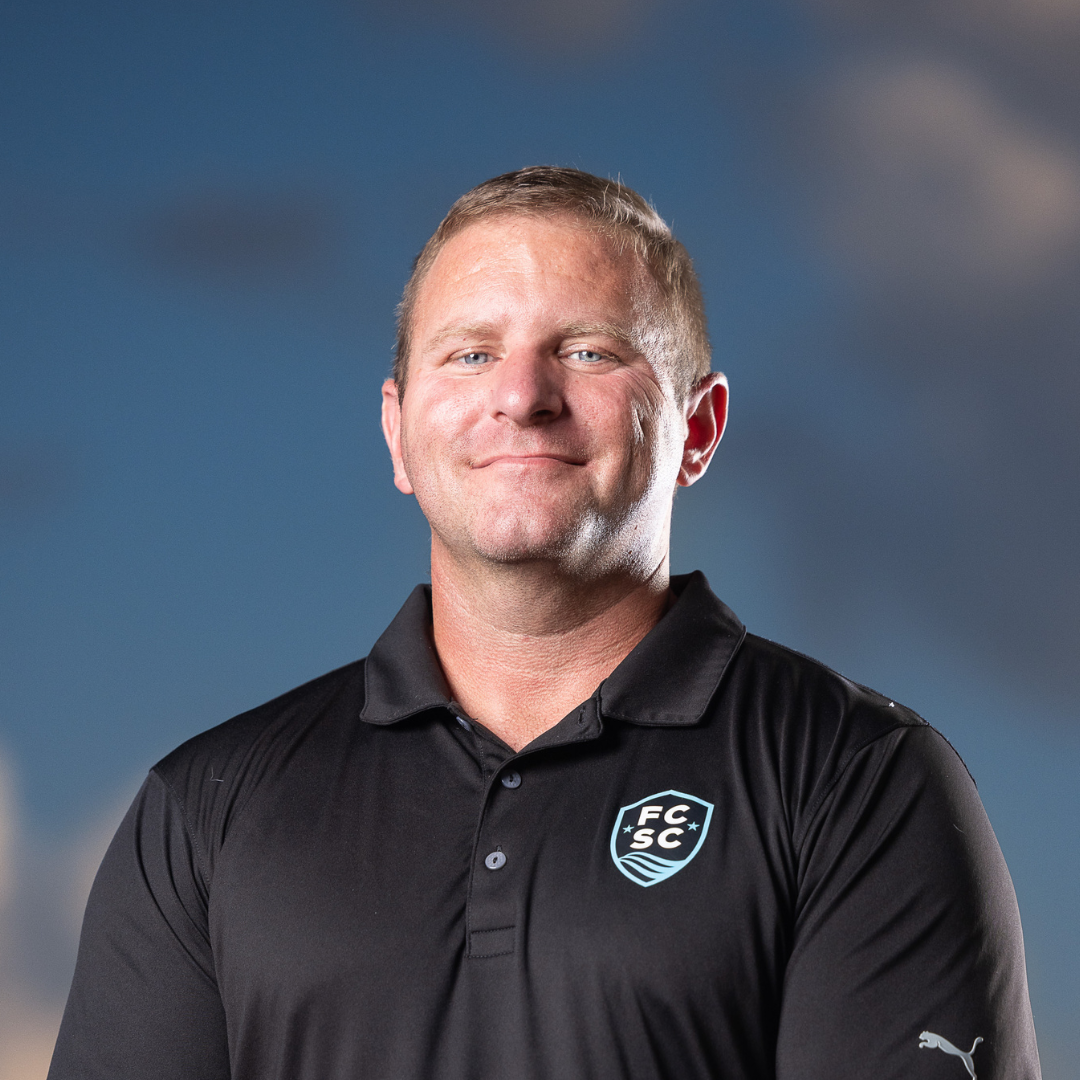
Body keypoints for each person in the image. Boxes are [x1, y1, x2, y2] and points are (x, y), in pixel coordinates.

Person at [49, 167, 1041, 1080]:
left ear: (697, 428)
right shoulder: (205, 810)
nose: (521, 397)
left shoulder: (853, 780)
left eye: (587, 351)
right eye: (471, 353)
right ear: (397, 430)